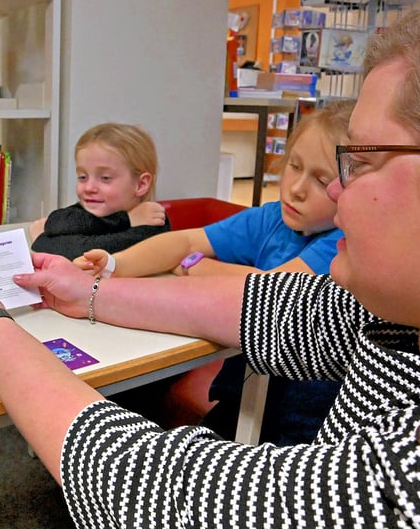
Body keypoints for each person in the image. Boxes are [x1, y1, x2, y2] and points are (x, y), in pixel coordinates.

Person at [0, 0, 420, 526]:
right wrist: (91, 293)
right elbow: (274, 307)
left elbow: (148, 488)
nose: (337, 191)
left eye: (360, 162)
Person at [76, 101, 353, 441]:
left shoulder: (344, 242)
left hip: (304, 419)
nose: (296, 187)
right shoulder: (271, 218)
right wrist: (114, 264)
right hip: (246, 393)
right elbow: (184, 241)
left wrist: (196, 266)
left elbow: (275, 292)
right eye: (294, 167)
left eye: (321, 180)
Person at [29, 122, 170, 260]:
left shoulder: (152, 222)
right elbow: (55, 223)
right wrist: (125, 220)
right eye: (83, 177)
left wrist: (41, 240)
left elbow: (85, 253)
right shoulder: (93, 210)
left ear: (140, 184)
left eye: (105, 178)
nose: (89, 188)